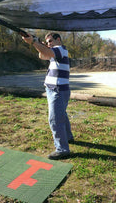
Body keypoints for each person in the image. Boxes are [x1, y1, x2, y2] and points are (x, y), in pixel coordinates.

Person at [22, 32, 74, 160]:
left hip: (58, 90)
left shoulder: (60, 49)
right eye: (48, 42)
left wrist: (34, 42)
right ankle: (68, 137)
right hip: (55, 89)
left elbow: (48, 52)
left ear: (58, 40)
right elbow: (42, 55)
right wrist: (38, 44)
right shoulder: (54, 52)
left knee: (55, 119)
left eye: (51, 41)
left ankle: (62, 149)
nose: (49, 44)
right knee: (62, 114)